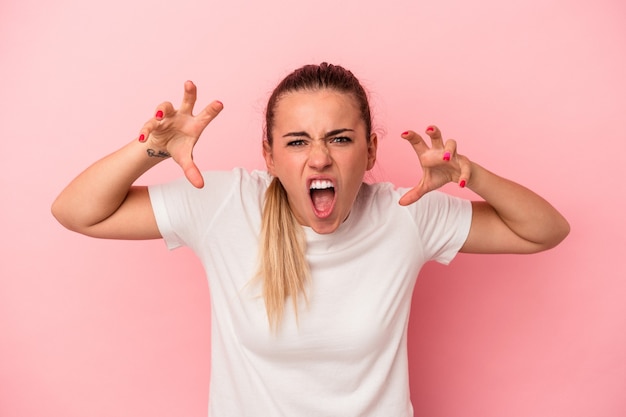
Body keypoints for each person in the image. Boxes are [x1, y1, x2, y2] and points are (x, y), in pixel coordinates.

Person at [51, 63, 570, 416]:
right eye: (297, 142)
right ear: (270, 156)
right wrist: (151, 150)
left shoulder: (405, 212)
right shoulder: (225, 205)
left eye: (339, 139)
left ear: (369, 152)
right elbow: (76, 212)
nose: (318, 158)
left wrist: (469, 173)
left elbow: (546, 230)